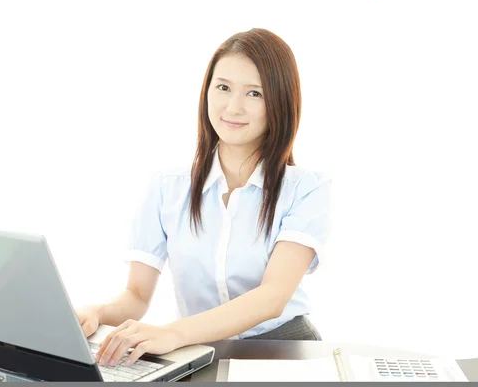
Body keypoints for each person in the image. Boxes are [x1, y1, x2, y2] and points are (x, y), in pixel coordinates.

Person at [76, 28, 332, 368]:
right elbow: (136, 296)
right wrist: (94, 312)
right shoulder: (168, 187)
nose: (233, 107)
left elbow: (272, 298)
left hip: (284, 348)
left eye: (255, 93)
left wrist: (174, 334)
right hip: (202, 352)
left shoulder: (306, 189)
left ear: (280, 101)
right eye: (223, 87)